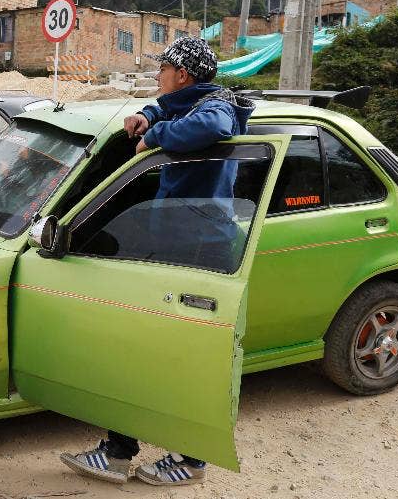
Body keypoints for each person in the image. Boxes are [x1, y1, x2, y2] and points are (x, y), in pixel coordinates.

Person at [60, 35, 255, 487]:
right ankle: (117, 451)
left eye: (162, 69)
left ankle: (191, 459)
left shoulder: (217, 107)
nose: (156, 75)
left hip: (203, 249)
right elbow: (166, 109)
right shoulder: (186, 102)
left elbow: (211, 128)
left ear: (182, 75)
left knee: (186, 358)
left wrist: (153, 136)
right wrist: (148, 114)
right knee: (141, 349)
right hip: (173, 245)